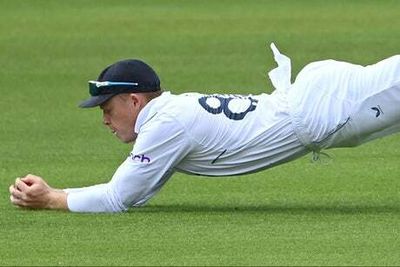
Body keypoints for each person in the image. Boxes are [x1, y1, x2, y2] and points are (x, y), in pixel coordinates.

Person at [9, 43, 400, 213]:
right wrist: (57, 193)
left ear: (135, 101)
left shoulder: (166, 124)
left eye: (108, 109)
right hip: (318, 107)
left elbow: (118, 199)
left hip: (323, 111)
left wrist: (51, 199)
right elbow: (136, 192)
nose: (104, 120)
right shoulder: (166, 118)